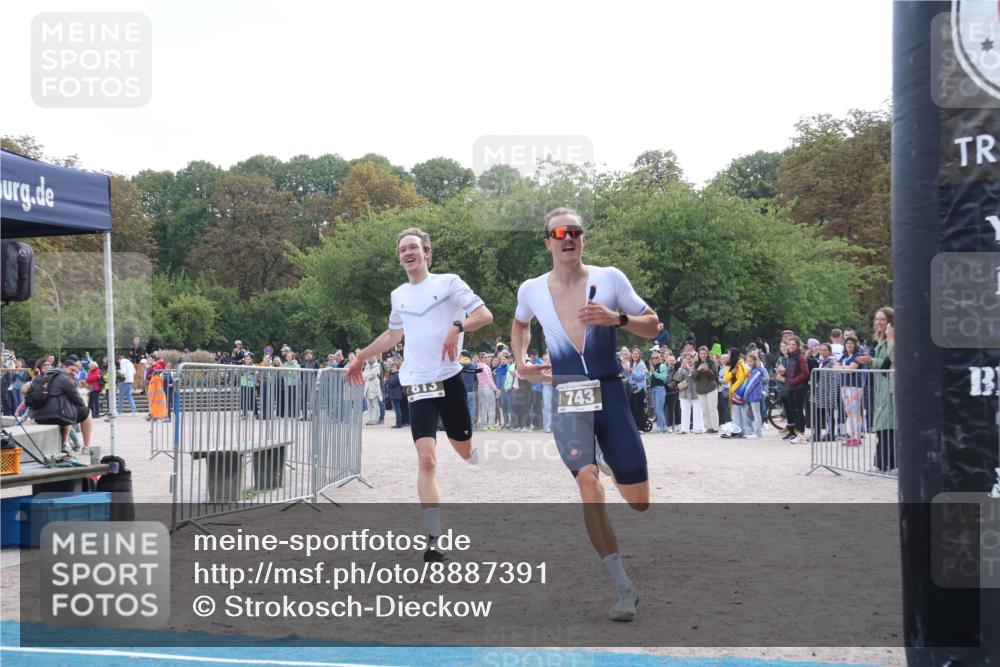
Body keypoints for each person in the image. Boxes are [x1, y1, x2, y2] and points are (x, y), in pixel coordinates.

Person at [512, 207, 659, 622]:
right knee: (588, 484)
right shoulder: (531, 289)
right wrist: (521, 361)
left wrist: (618, 319)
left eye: (575, 231)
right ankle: (623, 587)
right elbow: (520, 324)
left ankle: (610, 460)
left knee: (640, 502)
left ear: (583, 239)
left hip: (610, 392)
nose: (568, 237)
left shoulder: (610, 279)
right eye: (559, 232)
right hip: (568, 396)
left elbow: (653, 324)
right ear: (548, 242)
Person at [347, 227, 493, 563]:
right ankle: (434, 539)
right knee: (427, 460)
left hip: (449, 379)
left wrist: (457, 327)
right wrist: (361, 356)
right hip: (418, 382)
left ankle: (471, 449)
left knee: (463, 450)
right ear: (400, 259)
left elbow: (484, 315)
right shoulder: (398, 294)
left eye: (413, 247)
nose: (408, 253)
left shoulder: (449, 283)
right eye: (403, 250)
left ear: (426, 253)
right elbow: (393, 334)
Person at [856, 307, 895, 471]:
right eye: (877, 319)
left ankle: (888, 464)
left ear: (890, 322)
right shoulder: (881, 340)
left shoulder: (892, 339)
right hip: (882, 387)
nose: (878, 322)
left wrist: (872, 361)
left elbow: (893, 360)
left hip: (890, 387)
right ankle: (883, 463)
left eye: (882, 319)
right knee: (883, 427)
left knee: (888, 426)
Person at [28, 355, 93, 453]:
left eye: (76, 372)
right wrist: (84, 404)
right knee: (86, 412)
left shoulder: (40, 377)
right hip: (56, 416)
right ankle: (85, 447)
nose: (74, 373)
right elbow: (76, 399)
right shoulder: (64, 378)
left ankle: (66, 443)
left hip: (38, 416)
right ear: (64, 367)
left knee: (68, 409)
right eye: (72, 370)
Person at [835, 335, 867, 446]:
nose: (849, 345)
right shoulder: (844, 356)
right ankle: (853, 436)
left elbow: (851, 369)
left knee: (855, 412)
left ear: (855, 345)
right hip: (844, 386)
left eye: (851, 343)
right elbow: (835, 367)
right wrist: (845, 368)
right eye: (847, 343)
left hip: (855, 386)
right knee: (849, 413)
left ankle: (857, 437)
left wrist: (842, 368)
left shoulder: (857, 355)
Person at [783, 337, 810, 443]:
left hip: (799, 388)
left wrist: (793, 381)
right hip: (791, 387)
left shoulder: (801, 357)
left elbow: (805, 373)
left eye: (793, 344)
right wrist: (784, 374)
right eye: (789, 344)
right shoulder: (790, 357)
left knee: (798, 411)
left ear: (798, 346)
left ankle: (801, 434)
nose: (791, 346)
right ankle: (798, 433)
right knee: (793, 410)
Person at [673, 352, 702, 433]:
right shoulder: (682, 368)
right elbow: (677, 378)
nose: (688, 360)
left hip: (696, 392)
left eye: (690, 359)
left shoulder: (696, 367)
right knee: (684, 411)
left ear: (693, 359)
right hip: (684, 392)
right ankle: (684, 428)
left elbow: (695, 376)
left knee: (697, 411)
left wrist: (688, 367)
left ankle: (698, 428)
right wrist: (681, 369)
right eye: (686, 359)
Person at [693, 346, 719, 434]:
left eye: (704, 353)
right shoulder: (696, 363)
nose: (703, 355)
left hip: (711, 388)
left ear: (707, 354)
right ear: (699, 355)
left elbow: (715, 376)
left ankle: (715, 427)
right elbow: (693, 377)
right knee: (705, 410)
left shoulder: (712, 362)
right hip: (700, 390)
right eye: (701, 354)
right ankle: (708, 427)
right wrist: (698, 369)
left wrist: (707, 370)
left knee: (712, 409)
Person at [648, 350, 669, 433]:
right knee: (656, 409)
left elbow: (663, 377)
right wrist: (647, 373)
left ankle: (662, 426)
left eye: (656, 357)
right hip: (653, 389)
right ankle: (661, 426)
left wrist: (654, 372)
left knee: (659, 409)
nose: (654, 359)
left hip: (660, 388)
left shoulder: (662, 366)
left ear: (659, 358)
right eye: (653, 358)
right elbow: (650, 379)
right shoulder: (652, 367)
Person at [627, 348, 648, 431]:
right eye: (634, 354)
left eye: (637, 354)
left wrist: (632, 372)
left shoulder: (642, 364)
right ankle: (635, 427)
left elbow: (641, 377)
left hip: (639, 390)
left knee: (639, 410)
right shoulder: (632, 363)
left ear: (639, 355)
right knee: (633, 409)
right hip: (633, 390)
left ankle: (641, 428)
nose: (635, 355)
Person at [363, 356, 384, 425]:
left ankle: (376, 419)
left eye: (372, 357)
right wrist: (366, 377)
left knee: (375, 404)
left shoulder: (377, 366)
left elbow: (373, 375)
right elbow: (363, 375)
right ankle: (370, 419)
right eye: (369, 357)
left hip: (374, 386)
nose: (370, 358)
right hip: (367, 387)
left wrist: (366, 376)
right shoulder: (366, 366)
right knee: (369, 404)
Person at [116, 352, 138, 416]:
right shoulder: (130, 363)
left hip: (124, 381)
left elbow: (124, 372)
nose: (118, 362)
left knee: (121, 397)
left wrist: (119, 371)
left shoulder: (122, 362)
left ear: (119, 359)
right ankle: (134, 411)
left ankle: (119, 412)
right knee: (129, 397)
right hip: (130, 381)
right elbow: (134, 372)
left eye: (117, 361)